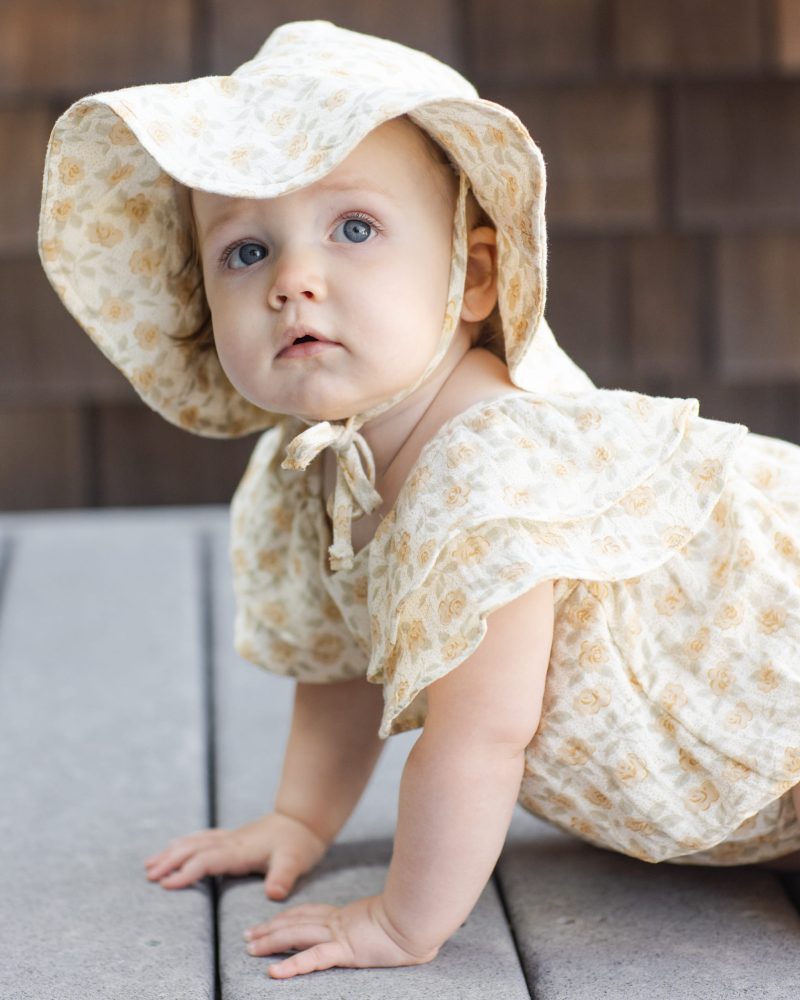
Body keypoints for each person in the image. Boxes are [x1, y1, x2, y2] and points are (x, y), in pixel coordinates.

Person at [39, 20, 800, 980]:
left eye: (353, 230)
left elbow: (483, 735)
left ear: (471, 274)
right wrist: (302, 818)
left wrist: (404, 923)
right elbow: (343, 657)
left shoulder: (489, 470)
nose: (293, 281)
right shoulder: (326, 466)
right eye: (243, 252)